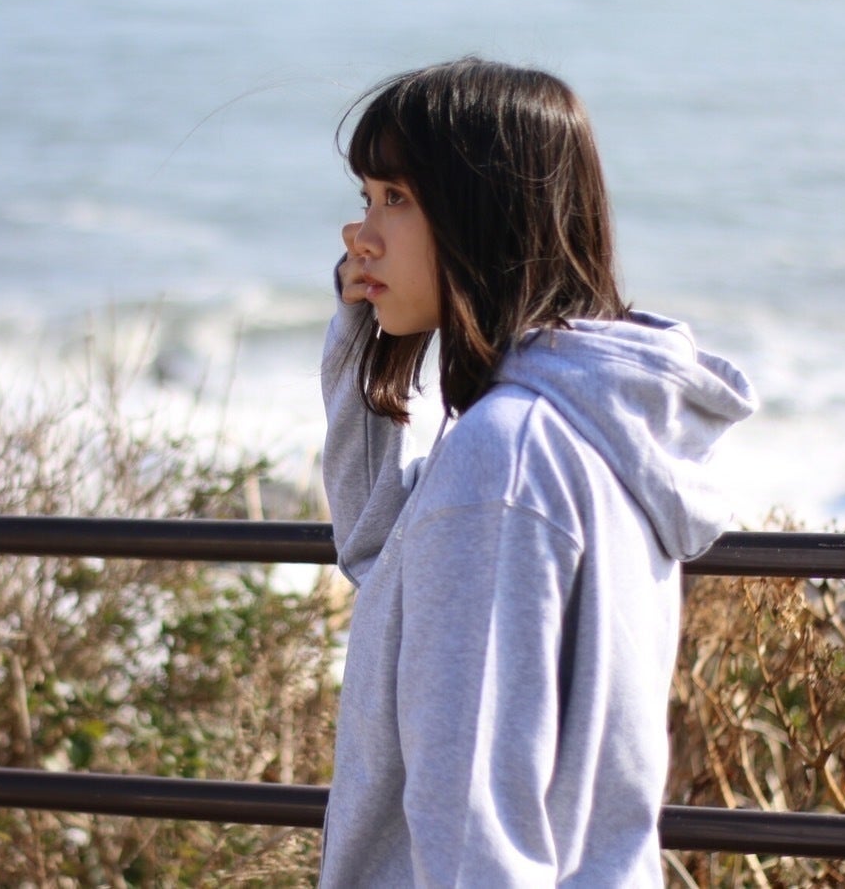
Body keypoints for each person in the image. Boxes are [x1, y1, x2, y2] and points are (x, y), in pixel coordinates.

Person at [319, 58, 757, 886]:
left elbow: (475, 823)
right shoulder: (592, 423)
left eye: (397, 198)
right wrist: (362, 340)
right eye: (366, 198)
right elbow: (382, 550)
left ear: (483, 212)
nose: (359, 235)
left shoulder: (504, 459)